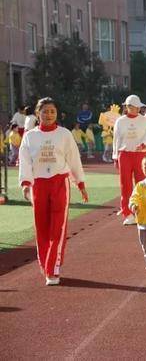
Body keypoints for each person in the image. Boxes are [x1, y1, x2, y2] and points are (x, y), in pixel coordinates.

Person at [18, 97, 88, 285]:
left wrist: (80, 182)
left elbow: (74, 159)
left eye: (52, 111)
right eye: (45, 111)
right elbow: (24, 161)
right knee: (42, 228)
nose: (49, 115)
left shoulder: (64, 134)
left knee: (58, 227)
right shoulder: (30, 136)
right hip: (39, 185)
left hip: (59, 183)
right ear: (37, 114)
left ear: (57, 114)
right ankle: (46, 264)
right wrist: (26, 183)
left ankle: (53, 269)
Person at [113, 95, 146, 226]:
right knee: (125, 184)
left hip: (140, 154)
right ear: (127, 107)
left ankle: (142, 210)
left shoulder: (144, 120)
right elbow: (116, 139)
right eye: (132, 107)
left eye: (137, 107)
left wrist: (144, 145)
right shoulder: (120, 121)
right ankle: (128, 213)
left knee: (141, 182)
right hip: (124, 154)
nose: (135, 109)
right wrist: (115, 156)